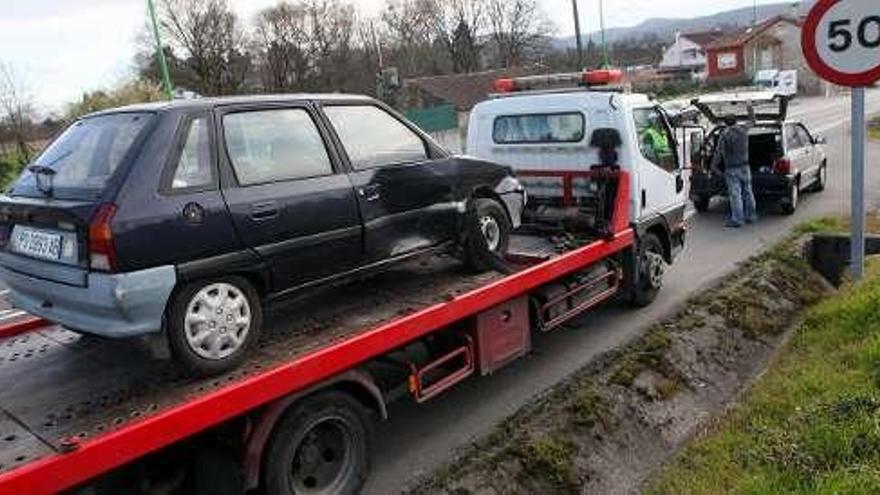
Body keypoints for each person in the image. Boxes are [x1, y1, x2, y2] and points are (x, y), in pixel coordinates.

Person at [712, 116, 756, 228]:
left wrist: (714, 166)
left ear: (726, 123)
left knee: (735, 195)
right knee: (748, 192)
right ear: (736, 121)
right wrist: (750, 108)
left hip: (732, 168)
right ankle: (751, 216)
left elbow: (719, 152)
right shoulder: (743, 129)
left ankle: (737, 220)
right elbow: (753, 121)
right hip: (745, 166)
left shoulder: (725, 135)